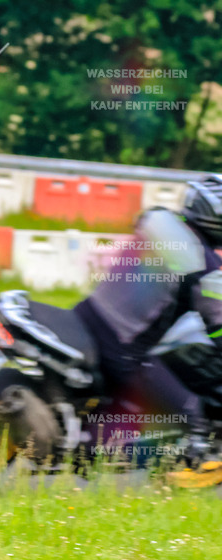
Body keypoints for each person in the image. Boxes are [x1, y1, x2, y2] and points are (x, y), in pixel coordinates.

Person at [74, 174, 222, 486]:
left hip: (86, 315)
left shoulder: (158, 220)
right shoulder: (203, 263)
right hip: (122, 347)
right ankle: (194, 468)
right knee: (189, 411)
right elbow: (216, 320)